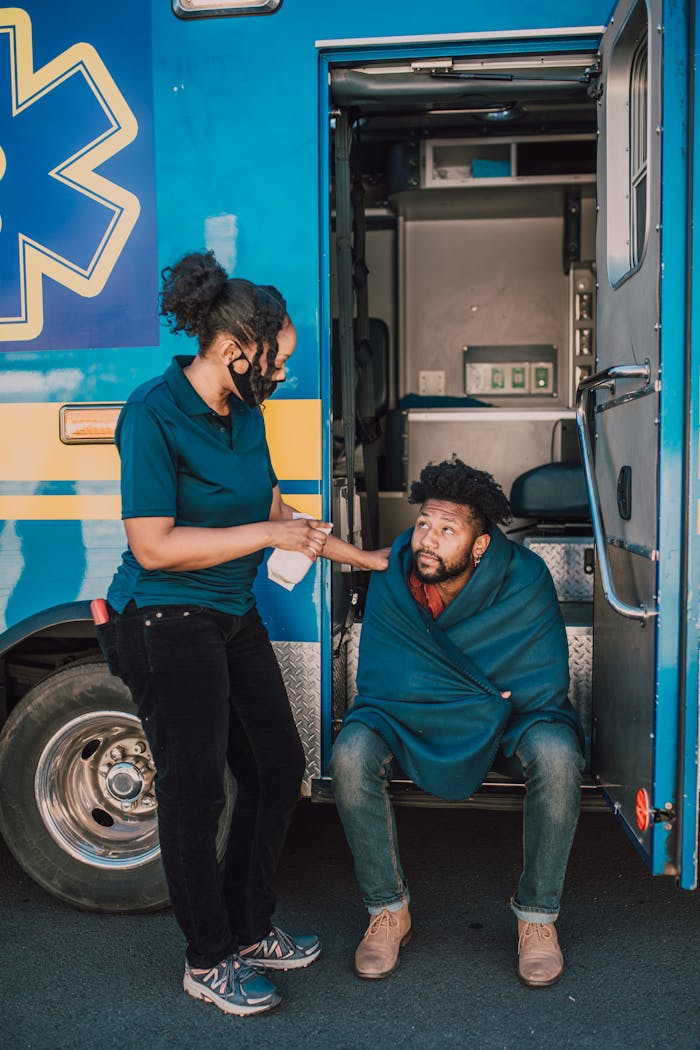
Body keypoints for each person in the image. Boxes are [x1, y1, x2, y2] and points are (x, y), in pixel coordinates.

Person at [100, 250, 389, 1017]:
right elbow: (154, 544)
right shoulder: (152, 413)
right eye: (278, 358)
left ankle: (249, 927)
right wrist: (266, 533)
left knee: (275, 765)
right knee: (194, 793)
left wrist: (366, 557)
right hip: (164, 619)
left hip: (229, 611)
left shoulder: (245, 411)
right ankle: (208, 958)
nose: (284, 372)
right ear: (234, 351)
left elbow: (273, 509)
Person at [329, 457, 585, 988]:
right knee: (350, 754)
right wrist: (477, 696)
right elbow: (383, 676)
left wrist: (484, 701)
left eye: (448, 530)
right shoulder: (397, 571)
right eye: (424, 523)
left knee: (558, 756)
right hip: (410, 714)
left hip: (514, 717)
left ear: (480, 545)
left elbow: (541, 681)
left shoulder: (524, 576)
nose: (428, 538)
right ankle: (387, 910)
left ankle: (537, 920)